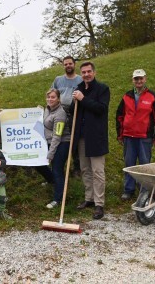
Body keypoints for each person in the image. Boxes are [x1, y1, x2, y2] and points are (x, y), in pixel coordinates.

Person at [116, 69, 155, 200]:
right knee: (129, 164)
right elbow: (119, 116)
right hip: (129, 137)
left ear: (145, 79)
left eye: (141, 78)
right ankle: (129, 189)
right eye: (136, 79)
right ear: (133, 80)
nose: (138, 81)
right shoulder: (127, 96)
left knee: (144, 165)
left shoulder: (152, 96)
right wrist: (120, 134)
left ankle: (145, 190)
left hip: (144, 138)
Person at [71, 61, 110, 220]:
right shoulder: (78, 88)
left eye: (89, 71)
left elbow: (101, 109)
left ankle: (99, 204)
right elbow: (73, 111)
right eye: (84, 72)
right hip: (81, 136)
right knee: (85, 169)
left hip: (96, 136)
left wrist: (83, 99)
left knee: (97, 171)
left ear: (94, 72)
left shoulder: (103, 89)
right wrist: (74, 103)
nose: (86, 74)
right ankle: (89, 198)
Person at [51, 56, 83, 175]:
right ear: (63, 66)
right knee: (58, 137)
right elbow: (52, 94)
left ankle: (76, 167)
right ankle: (58, 167)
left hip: (75, 111)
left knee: (74, 138)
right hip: (60, 111)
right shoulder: (58, 80)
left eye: (70, 63)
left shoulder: (80, 79)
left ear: (74, 64)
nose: (68, 66)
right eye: (65, 64)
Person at [43, 89, 71, 209]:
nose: (50, 99)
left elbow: (57, 136)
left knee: (57, 169)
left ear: (58, 99)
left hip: (62, 143)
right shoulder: (47, 109)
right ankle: (52, 180)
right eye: (48, 97)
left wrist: (50, 154)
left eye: (53, 97)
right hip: (49, 141)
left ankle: (57, 199)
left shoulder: (60, 114)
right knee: (40, 164)